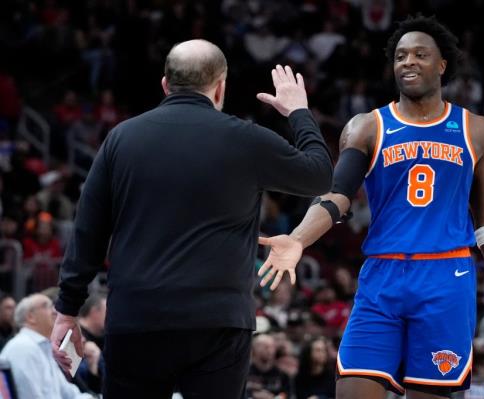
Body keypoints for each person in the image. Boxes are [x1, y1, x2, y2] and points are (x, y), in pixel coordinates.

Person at [258, 15, 484, 399]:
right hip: (381, 277)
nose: (409, 62)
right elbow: (337, 196)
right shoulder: (366, 127)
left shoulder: (478, 130)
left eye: (421, 54)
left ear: (442, 65)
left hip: (445, 278)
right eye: (401, 56)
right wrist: (299, 239)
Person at [50, 39, 333, 399]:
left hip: (137, 318)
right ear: (220, 87)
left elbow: (87, 230)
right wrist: (298, 113)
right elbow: (321, 175)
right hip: (218, 322)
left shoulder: (121, 138)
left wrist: (67, 310)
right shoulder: (246, 139)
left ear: (165, 84)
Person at [0, 294, 92, 399]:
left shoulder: (42, 347)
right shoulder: (23, 347)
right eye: (46, 306)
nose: (55, 311)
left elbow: (70, 393)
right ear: (31, 317)